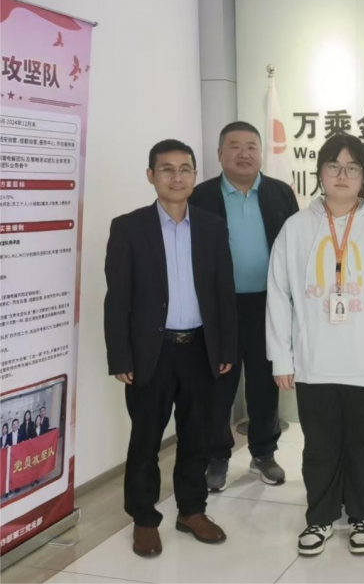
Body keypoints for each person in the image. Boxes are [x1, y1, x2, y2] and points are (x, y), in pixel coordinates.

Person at [267, 134, 364, 557]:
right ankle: (320, 516)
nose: (343, 175)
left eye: (353, 168)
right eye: (334, 166)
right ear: (320, 173)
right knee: (320, 446)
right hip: (313, 361)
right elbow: (278, 294)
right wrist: (281, 356)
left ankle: (362, 516)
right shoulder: (297, 228)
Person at [104, 139, 238, 557]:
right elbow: (117, 299)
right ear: (151, 176)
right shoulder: (128, 228)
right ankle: (144, 519)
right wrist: (120, 356)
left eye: (185, 169)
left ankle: (192, 511)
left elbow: (223, 292)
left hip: (200, 348)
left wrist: (226, 348)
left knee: (197, 435)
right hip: (152, 352)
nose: (176, 177)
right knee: (146, 439)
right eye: (167, 169)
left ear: (195, 175)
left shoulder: (212, 226)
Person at [190, 121, 299, 492]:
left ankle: (263, 453)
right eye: (234, 146)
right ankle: (217, 456)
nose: (244, 153)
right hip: (219, 308)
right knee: (218, 383)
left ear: (261, 152)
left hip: (269, 304)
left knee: (265, 383)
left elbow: (296, 250)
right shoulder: (201, 196)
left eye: (251, 146)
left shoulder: (280, 194)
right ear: (220, 153)